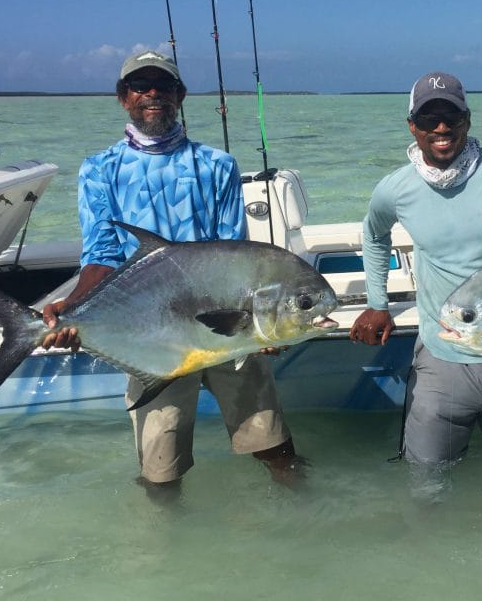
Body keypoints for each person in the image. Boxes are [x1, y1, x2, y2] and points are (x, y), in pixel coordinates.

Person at [41, 49, 300, 489]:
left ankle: (303, 517)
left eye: (163, 85)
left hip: (223, 324)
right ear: (124, 98)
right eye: (140, 86)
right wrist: (71, 313)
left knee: (275, 447)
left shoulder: (217, 165)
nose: (152, 94)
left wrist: (263, 326)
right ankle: (163, 544)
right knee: (160, 470)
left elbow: (232, 255)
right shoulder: (99, 169)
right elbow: (101, 255)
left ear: (180, 95)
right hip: (150, 328)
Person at [349, 71, 482, 471]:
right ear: (412, 127)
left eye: (451, 117)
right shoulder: (395, 188)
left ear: (467, 120)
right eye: (427, 119)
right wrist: (376, 302)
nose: (440, 128)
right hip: (443, 348)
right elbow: (373, 235)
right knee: (426, 469)